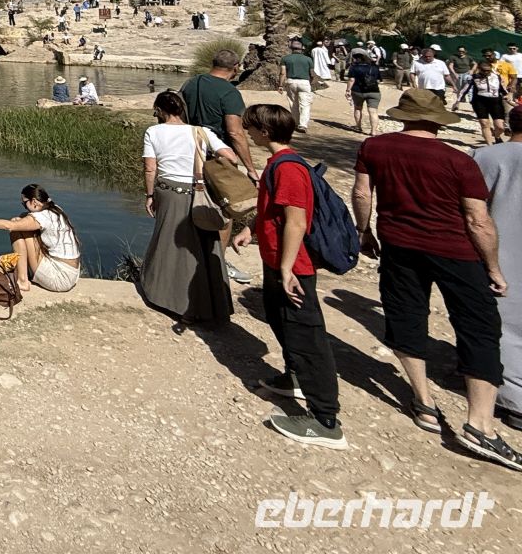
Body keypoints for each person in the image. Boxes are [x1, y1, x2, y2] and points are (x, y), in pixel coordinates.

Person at [351, 89, 519, 470]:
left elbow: (362, 193)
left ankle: (424, 402)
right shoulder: (458, 161)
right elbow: (478, 220)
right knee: (479, 326)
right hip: (455, 251)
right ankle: (481, 424)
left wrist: (365, 232)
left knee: (406, 314)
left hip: (398, 243)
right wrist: (492, 267)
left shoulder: (374, 147)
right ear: (438, 120)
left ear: (405, 115)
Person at [233, 104, 344, 449]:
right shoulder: (276, 164)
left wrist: (286, 268)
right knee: (283, 324)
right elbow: (274, 212)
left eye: (252, 128)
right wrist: (251, 229)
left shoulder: (288, 169)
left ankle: (325, 418)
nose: (248, 133)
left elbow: (296, 220)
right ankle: (294, 376)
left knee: (307, 334)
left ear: (264, 131)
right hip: (277, 261)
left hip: (293, 267)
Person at [138, 90, 235, 327]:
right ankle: (214, 305)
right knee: (205, 246)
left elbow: (151, 168)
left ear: (160, 111)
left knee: (172, 245)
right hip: (199, 191)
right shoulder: (200, 131)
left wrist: (150, 194)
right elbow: (230, 156)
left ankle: (178, 303)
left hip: (170, 191)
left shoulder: (154, 131)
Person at [473, 105, 522, 431]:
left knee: (504, 325)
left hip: (501, 249)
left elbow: (472, 209)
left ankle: (515, 398)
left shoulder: (486, 156)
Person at [0, 183, 82, 295]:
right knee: (21, 219)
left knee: (15, 228)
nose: (24, 207)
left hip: (60, 278)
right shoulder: (55, 209)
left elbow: (8, 226)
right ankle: (24, 274)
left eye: (24, 203)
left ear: (34, 201)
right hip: (71, 273)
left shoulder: (43, 217)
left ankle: (22, 280)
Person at [179, 49, 260, 178]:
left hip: (190, 150)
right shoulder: (230, 92)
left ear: (213, 63)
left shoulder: (190, 83)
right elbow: (235, 133)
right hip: (219, 155)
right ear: (235, 67)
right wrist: (250, 169)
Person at [466, 59, 511, 146]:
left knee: (500, 127)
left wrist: (506, 94)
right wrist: (457, 101)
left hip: (495, 102)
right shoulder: (473, 77)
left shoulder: (497, 76)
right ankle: (490, 146)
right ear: (479, 69)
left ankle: (497, 136)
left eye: (488, 70)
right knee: (484, 123)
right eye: (484, 70)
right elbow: (465, 89)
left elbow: (502, 88)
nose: (486, 72)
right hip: (480, 102)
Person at [280, 38, 317, 133]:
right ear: (302, 48)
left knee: (293, 103)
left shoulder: (285, 58)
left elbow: (283, 73)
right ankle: (303, 125)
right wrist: (312, 82)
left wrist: (280, 85)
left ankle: (295, 123)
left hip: (291, 81)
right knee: (305, 104)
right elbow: (312, 73)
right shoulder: (308, 59)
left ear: (291, 48)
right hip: (304, 82)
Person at [344, 49, 382, 135]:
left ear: (356, 59)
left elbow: (351, 80)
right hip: (374, 91)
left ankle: (358, 127)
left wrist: (348, 90)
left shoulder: (354, 67)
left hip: (358, 91)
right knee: (373, 111)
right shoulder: (375, 67)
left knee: (358, 108)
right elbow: (379, 80)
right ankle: (373, 131)